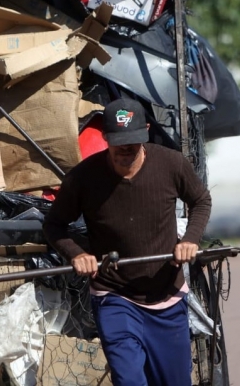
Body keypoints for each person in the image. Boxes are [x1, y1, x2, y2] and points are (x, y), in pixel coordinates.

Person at [42, 98, 212, 386]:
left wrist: (190, 240)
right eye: (119, 142)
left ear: (145, 131)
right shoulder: (84, 178)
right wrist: (76, 254)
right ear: (105, 137)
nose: (126, 150)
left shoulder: (171, 164)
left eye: (133, 141)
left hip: (166, 296)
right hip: (115, 296)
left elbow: (201, 200)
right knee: (130, 380)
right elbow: (54, 224)